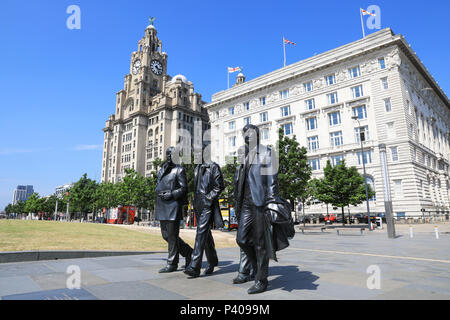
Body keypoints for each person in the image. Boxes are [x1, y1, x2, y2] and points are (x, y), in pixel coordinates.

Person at [233, 124, 293, 294]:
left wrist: (271, 203)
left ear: (257, 135)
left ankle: (261, 280)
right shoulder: (243, 154)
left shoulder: (267, 152)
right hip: (244, 203)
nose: (247, 137)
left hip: (260, 202)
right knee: (242, 239)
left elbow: (272, 182)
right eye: (245, 135)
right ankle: (256, 268)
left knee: (260, 244)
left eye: (250, 134)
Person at [184, 143, 225, 278]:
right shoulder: (197, 168)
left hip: (208, 204)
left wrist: (208, 199)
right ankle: (213, 261)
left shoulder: (213, 167)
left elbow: (219, 186)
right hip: (198, 204)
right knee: (206, 235)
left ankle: (194, 266)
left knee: (200, 233)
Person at [155, 147, 193, 273]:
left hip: (173, 206)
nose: (170, 156)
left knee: (172, 236)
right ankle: (189, 252)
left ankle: (172, 263)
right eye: (168, 154)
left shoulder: (179, 169)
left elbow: (184, 188)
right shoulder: (161, 169)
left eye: (172, 154)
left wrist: (171, 194)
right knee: (166, 235)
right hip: (162, 205)